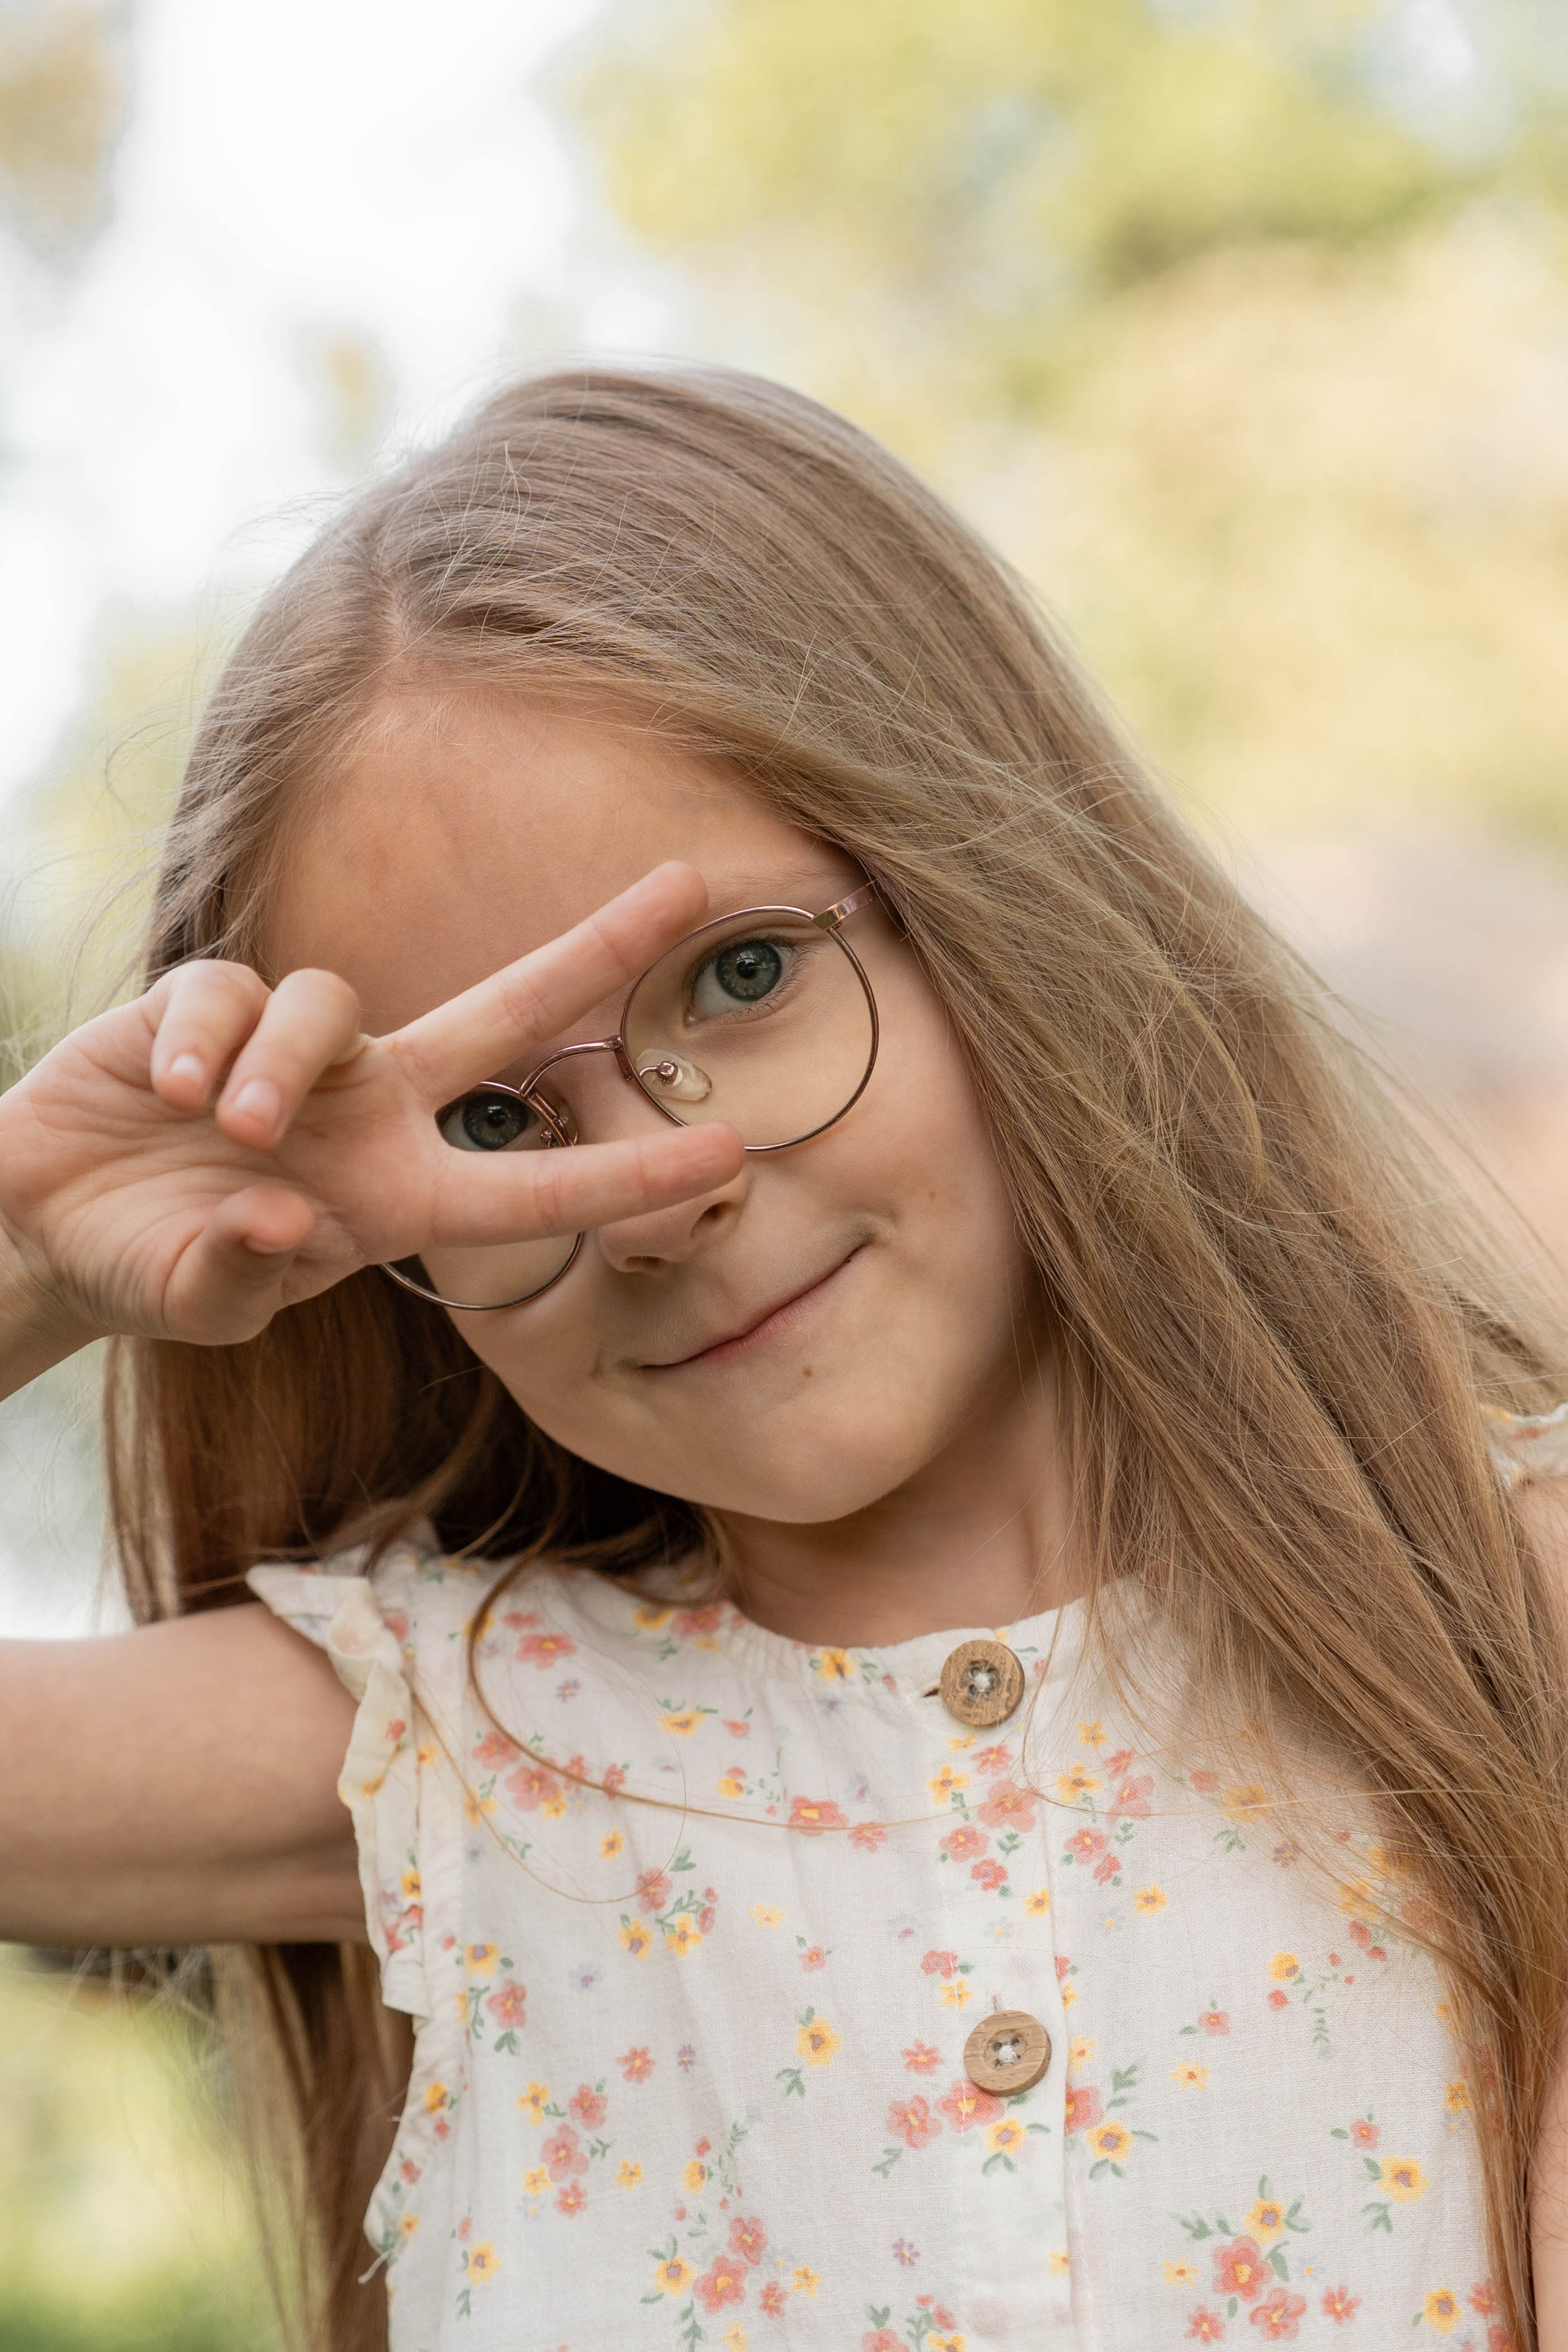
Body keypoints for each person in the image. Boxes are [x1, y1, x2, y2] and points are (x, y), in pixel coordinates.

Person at [0, 364, 1565, 2352]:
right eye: (491, 1118)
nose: (658, 1192)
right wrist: (26, 1252)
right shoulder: (461, 1745)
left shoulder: (1510, 1613)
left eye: (740, 976)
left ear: (1006, 909)